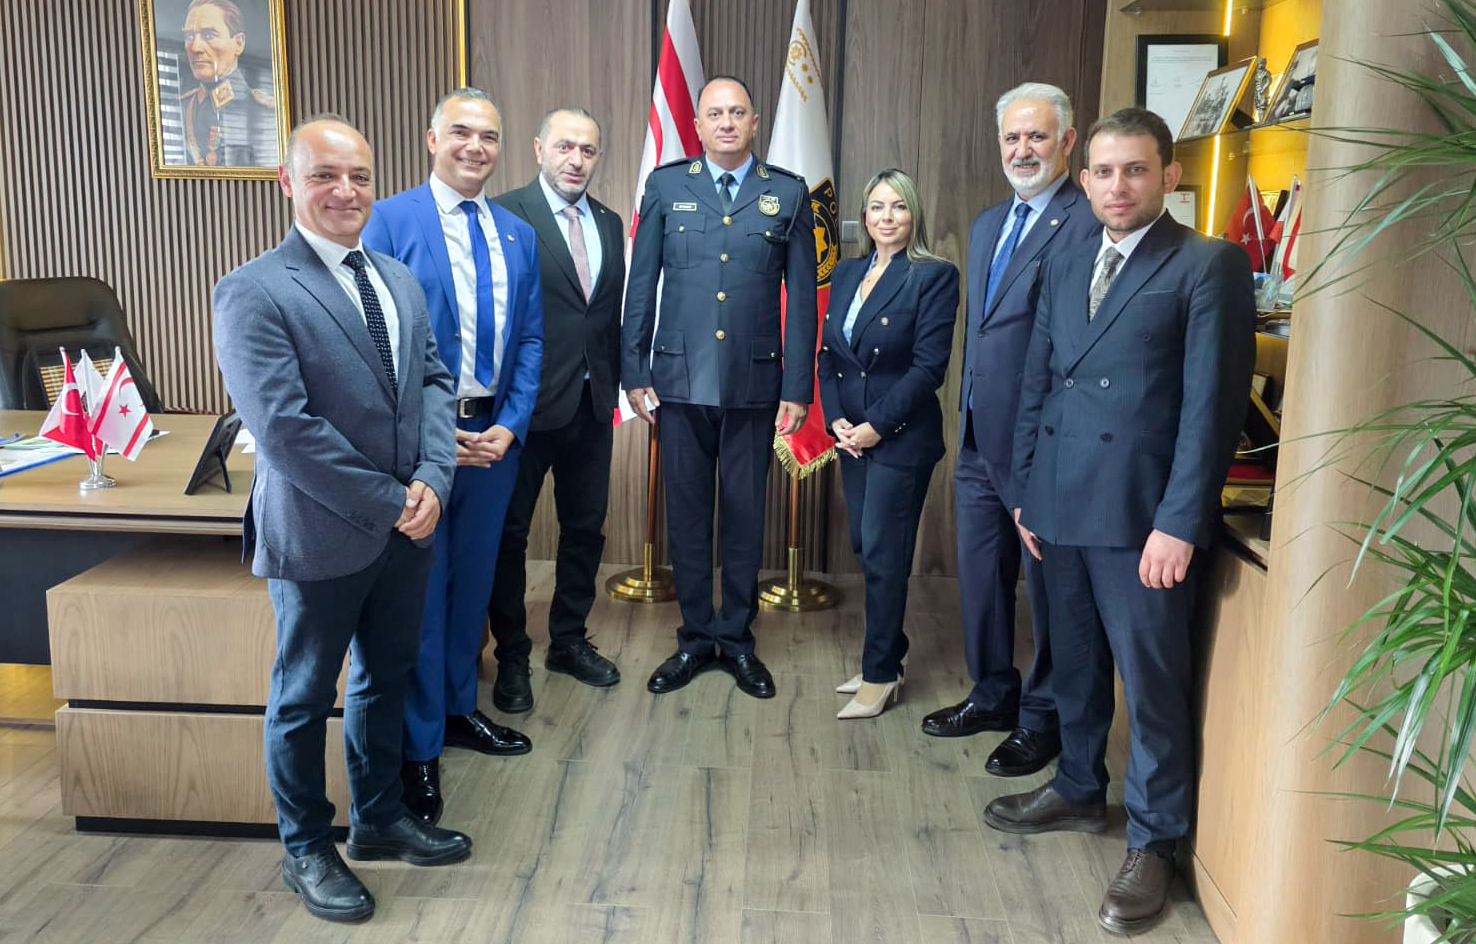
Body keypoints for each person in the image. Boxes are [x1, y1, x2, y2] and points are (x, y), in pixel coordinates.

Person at [987, 107, 1254, 935]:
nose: (1117, 186)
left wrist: (1181, 520)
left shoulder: (1208, 264)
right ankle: (1077, 786)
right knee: (1071, 663)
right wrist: (1024, 492)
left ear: (1169, 174)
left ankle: (1153, 839)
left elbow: (1211, 410)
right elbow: (1039, 381)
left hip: (1142, 518)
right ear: (1085, 176)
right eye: (1103, 172)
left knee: (1152, 685)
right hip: (1058, 502)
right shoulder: (1067, 259)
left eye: (1135, 169)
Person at [212, 115, 470, 923]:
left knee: (384, 676)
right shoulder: (253, 290)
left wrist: (433, 478)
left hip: (408, 527)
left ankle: (379, 818)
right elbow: (286, 432)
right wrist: (396, 502)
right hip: (321, 532)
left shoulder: (397, 277)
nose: (345, 191)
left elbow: (434, 382)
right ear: (288, 182)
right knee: (302, 696)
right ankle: (306, 849)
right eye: (324, 175)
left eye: (358, 175)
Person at [362, 87, 542, 826]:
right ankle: (419, 746)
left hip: (494, 443)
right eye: (461, 132)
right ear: (432, 138)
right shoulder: (389, 218)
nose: (476, 146)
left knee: (473, 589)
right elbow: (372, 338)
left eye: (489, 135)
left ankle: (461, 709)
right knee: (423, 599)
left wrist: (513, 424)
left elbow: (531, 339)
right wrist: (433, 437)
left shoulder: (517, 234)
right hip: (423, 447)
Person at [922, 83, 1099, 781]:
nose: (1023, 149)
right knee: (982, 580)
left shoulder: (1087, 223)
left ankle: (1042, 717)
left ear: (1068, 141)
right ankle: (993, 693)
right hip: (977, 438)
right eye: (1012, 138)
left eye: (1037, 136)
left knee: (1048, 591)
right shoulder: (990, 222)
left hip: (1042, 447)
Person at [622, 75, 817, 700]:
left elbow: (803, 300)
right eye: (715, 113)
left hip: (755, 383)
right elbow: (641, 284)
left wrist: (797, 387)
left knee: (743, 515)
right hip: (679, 382)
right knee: (685, 515)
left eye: (737, 112)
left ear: (755, 123)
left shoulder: (787, 192)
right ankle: (693, 639)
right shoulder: (666, 186)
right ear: (698, 126)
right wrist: (634, 371)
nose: (727, 122)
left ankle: (735, 640)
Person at [486, 108, 625, 713]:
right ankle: (512, 654)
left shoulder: (610, 222)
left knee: (585, 528)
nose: (576, 159)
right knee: (509, 535)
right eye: (565, 147)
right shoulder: (503, 215)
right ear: (539, 148)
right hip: (523, 408)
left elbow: (606, 314)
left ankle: (568, 640)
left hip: (592, 405)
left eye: (588, 150)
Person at [818, 169, 958, 719]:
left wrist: (875, 425)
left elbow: (928, 369)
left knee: (884, 554)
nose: (887, 217)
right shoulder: (847, 271)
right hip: (851, 438)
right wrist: (836, 420)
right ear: (864, 215)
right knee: (866, 545)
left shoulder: (933, 276)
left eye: (898, 206)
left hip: (899, 438)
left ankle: (879, 674)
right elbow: (829, 356)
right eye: (877, 207)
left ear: (914, 214)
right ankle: (890, 653)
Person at [177, 0, 276, 167]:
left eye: (209, 35)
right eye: (189, 36)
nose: (195, 47)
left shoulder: (265, 110)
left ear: (238, 43)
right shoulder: (182, 107)